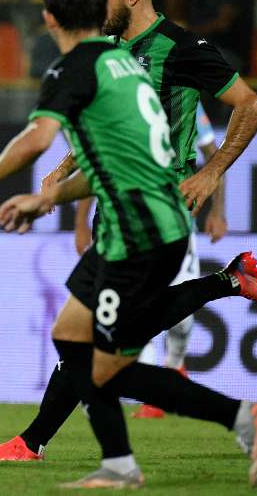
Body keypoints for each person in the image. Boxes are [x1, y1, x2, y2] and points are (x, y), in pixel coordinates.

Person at [0, 0, 257, 488]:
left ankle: (229, 418)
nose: (90, 4)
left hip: (154, 213)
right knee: (79, 339)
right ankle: (58, 446)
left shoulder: (179, 49)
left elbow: (249, 105)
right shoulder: (111, 54)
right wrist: (58, 185)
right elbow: (100, 138)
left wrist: (212, 173)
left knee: (108, 356)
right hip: (120, 212)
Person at [75, 104, 226, 420]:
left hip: (176, 223)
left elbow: (214, 155)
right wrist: (80, 223)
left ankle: (175, 365)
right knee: (130, 309)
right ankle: (146, 391)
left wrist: (217, 211)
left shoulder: (183, 102)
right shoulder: (123, 104)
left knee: (179, 316)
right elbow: (94, 163)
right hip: (130, 228)